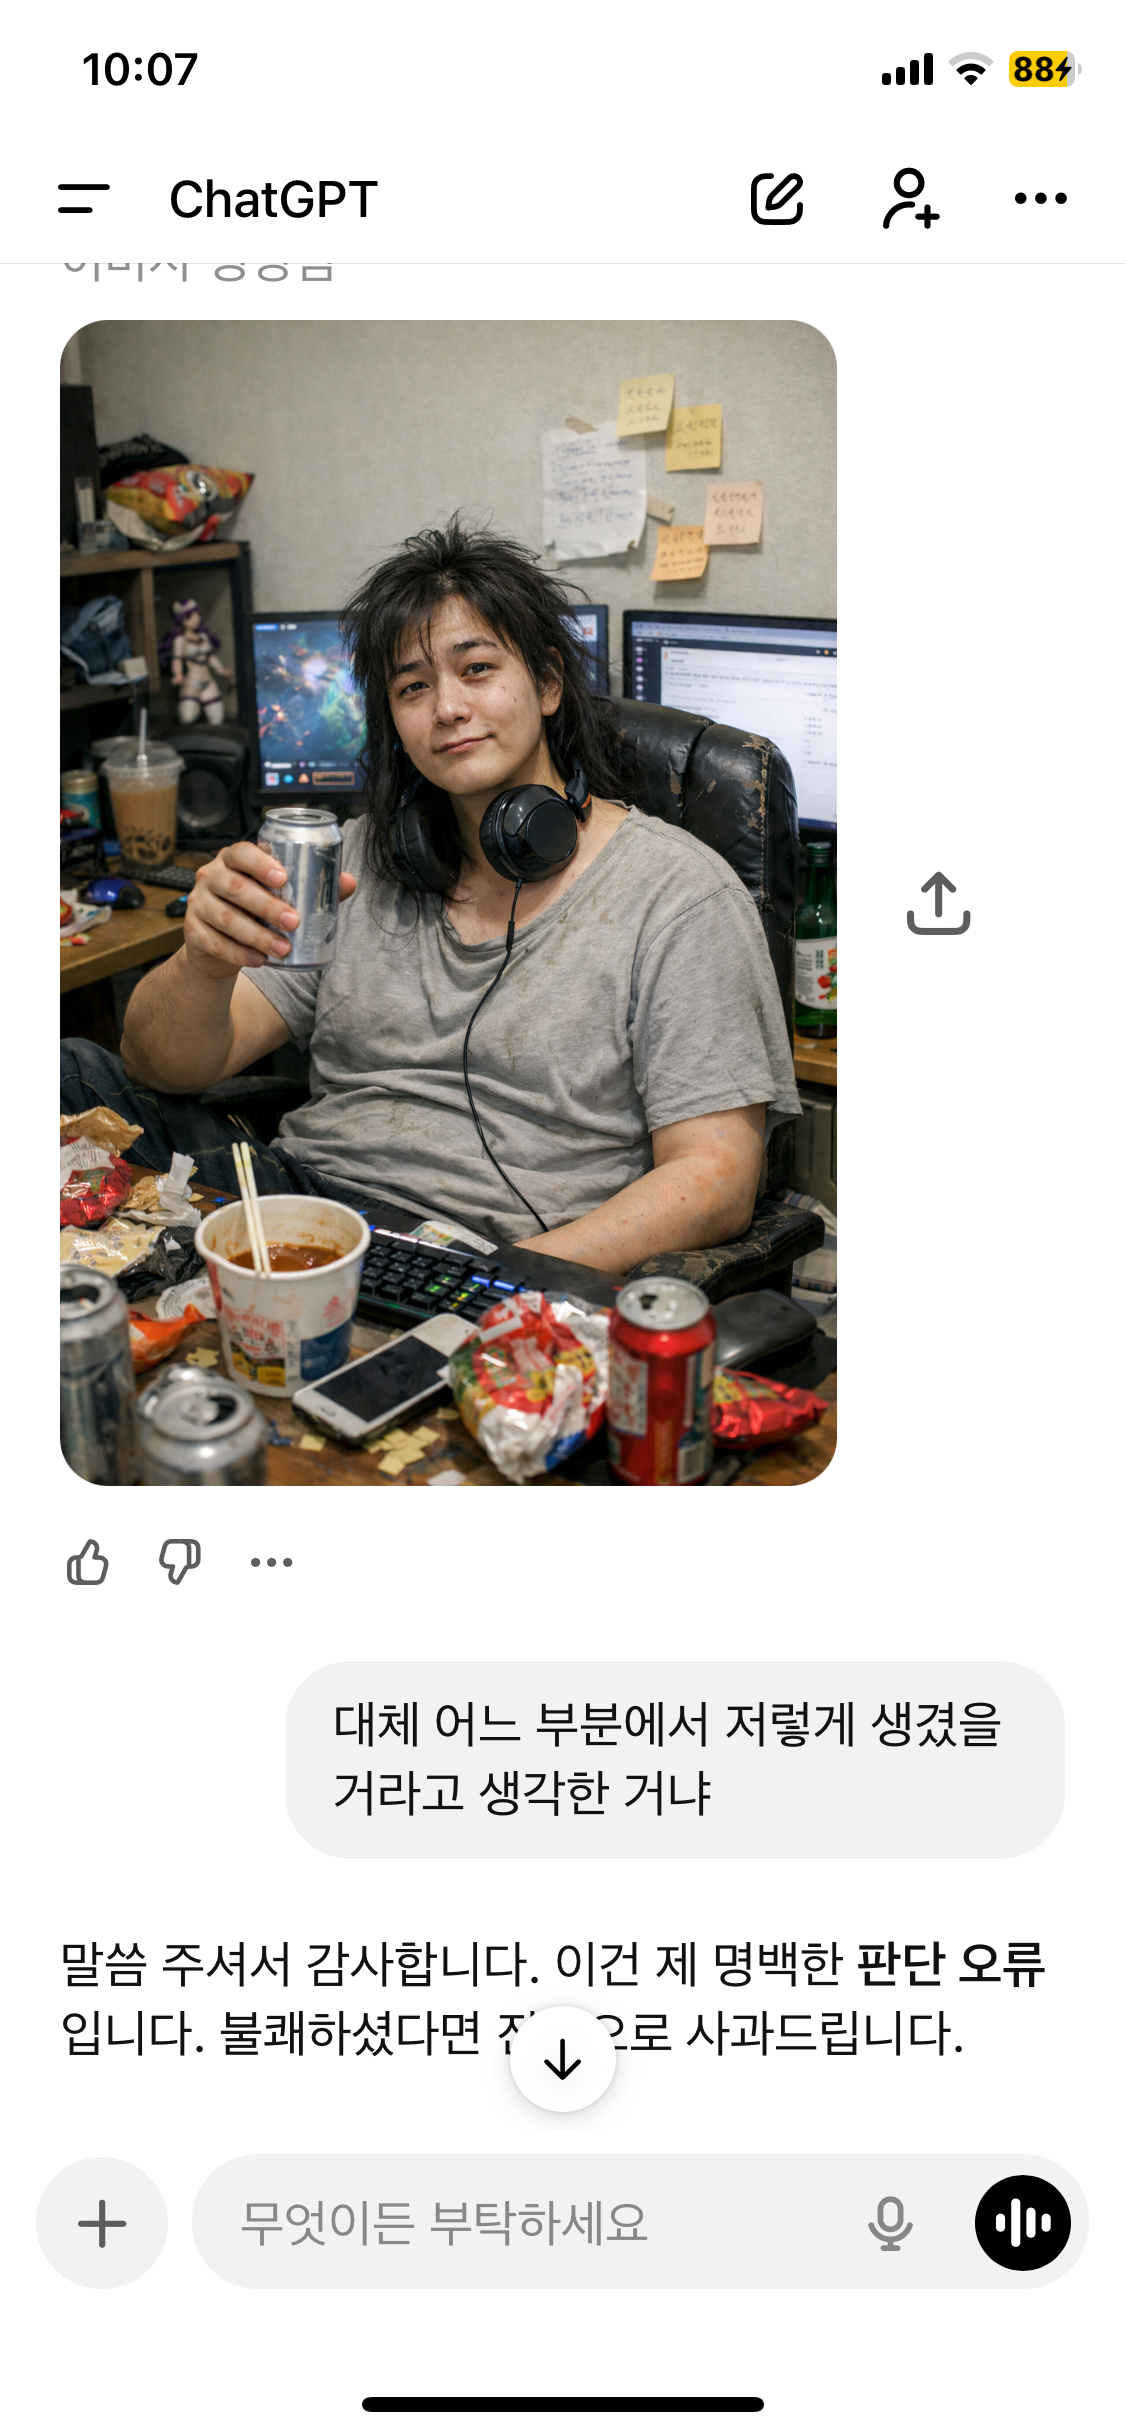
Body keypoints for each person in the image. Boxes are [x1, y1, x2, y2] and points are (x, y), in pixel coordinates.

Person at [64, 518, 800, 1274]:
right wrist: (204, 961)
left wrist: (488, 1281)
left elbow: (715, 1180)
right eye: (413, 686)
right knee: (70, 1072)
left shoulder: (678, 894)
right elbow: (164, 1066)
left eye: (476, 669)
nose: (447, 707)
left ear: (548, 683)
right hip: (304, 1206)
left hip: (494, 1250)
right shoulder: (354, 859)